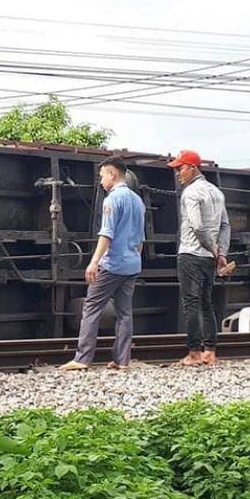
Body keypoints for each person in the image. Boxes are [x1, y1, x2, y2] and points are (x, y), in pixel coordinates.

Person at [60, 157, 146, 371]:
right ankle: (122, 360)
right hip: (132, 264)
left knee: (91, 307)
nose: (101, 181)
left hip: (113, 264)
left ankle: (82, 358)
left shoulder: (112, 200)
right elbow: (141, 238)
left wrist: (94, 262)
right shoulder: (138, 201)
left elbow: (106, 234)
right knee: (124, 313)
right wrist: (134, 259)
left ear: (112, 174)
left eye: (102, 176)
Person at [166, 149, 231, 366]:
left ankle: (194, 353)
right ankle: (210, 352)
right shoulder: (216, 192)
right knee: (206, 303)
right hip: (208, 258)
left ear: (193, 168)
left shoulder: (191, 193)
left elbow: (196, 226)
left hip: (191, 254)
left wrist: (212, 248)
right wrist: (221, 253)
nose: (177, 173)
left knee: (191, 303)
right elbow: (224, 225)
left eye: (180, 168)